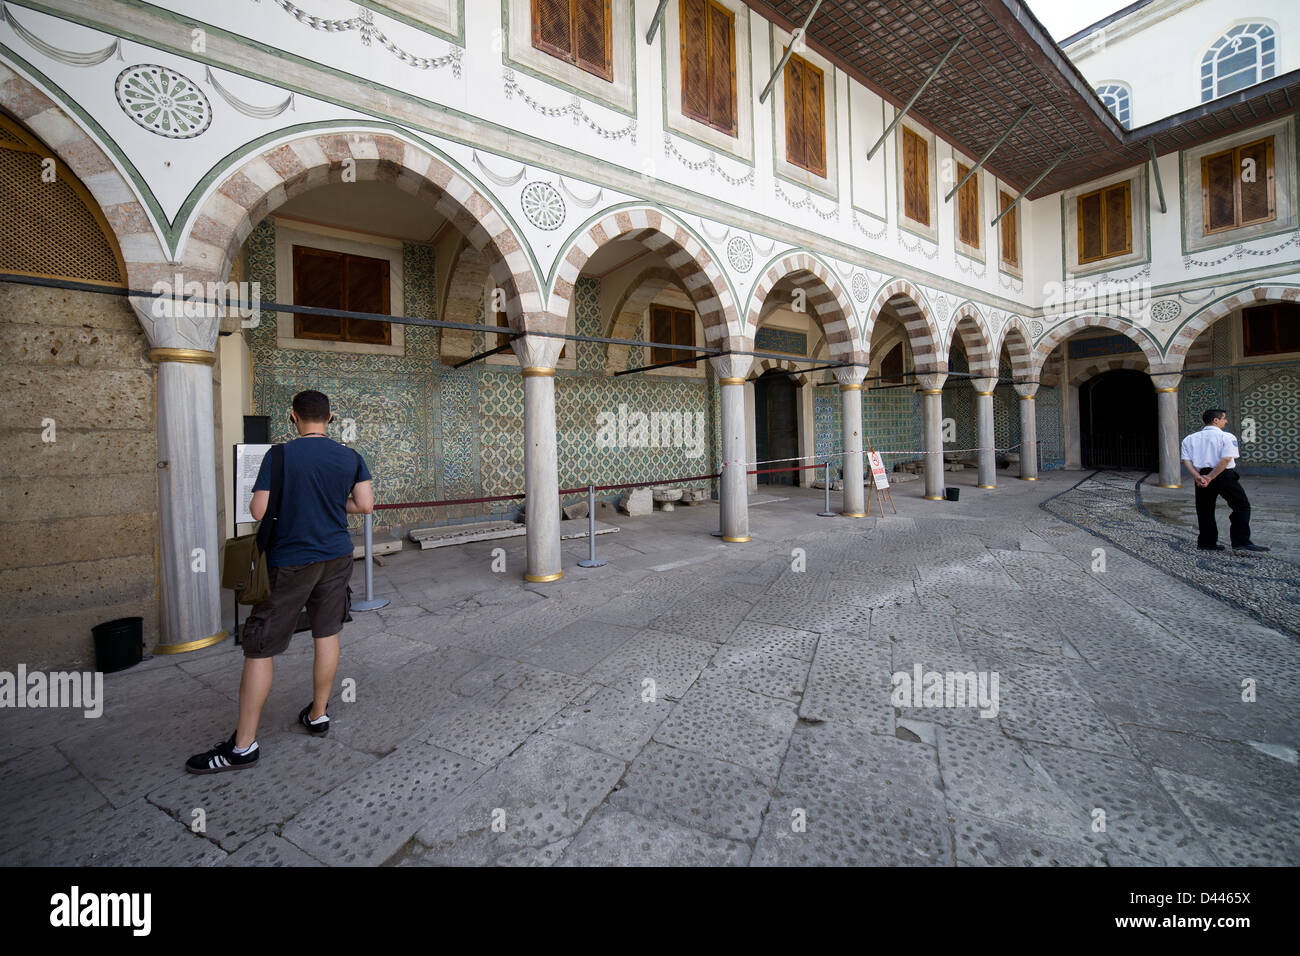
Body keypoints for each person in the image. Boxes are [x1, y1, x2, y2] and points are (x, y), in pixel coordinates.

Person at [186, 390, 374, 772]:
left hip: (290, 560)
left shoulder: (280, 455)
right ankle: (318, 713)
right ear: (331, 418)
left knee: (261, 646)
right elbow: (365, 504)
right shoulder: (350, 456)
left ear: (293, 418)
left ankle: (243, 746)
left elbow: (258, 509)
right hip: (336, 557)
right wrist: (330, 503)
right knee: (327, 633)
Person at [1179, 408, 1268, 554]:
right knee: (1241, 506)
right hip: (1223, 474)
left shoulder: (1190, 438)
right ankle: (1241, 541)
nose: (1226, 421)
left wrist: (1198, 477)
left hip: (1202, 476)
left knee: (1205, 509)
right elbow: (1226, 459)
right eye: (1224, 418)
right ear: (1216, 420)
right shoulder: (1227, 437)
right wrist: (1211, 477)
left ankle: (1207, 542)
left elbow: (1186, 460)